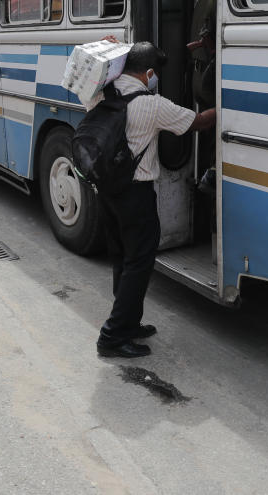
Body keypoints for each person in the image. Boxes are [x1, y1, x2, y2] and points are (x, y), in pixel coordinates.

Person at [96, 42, 215, 359]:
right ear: (148, 73)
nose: (156, 79)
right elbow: (198, 122)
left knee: (123, 259)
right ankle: (112, 336)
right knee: (139, 263)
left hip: (107, 190)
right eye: (155, 74)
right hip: (135, 194)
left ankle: (129, 323)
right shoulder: (151, 104)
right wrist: (233, 104)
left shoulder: (102, 90)